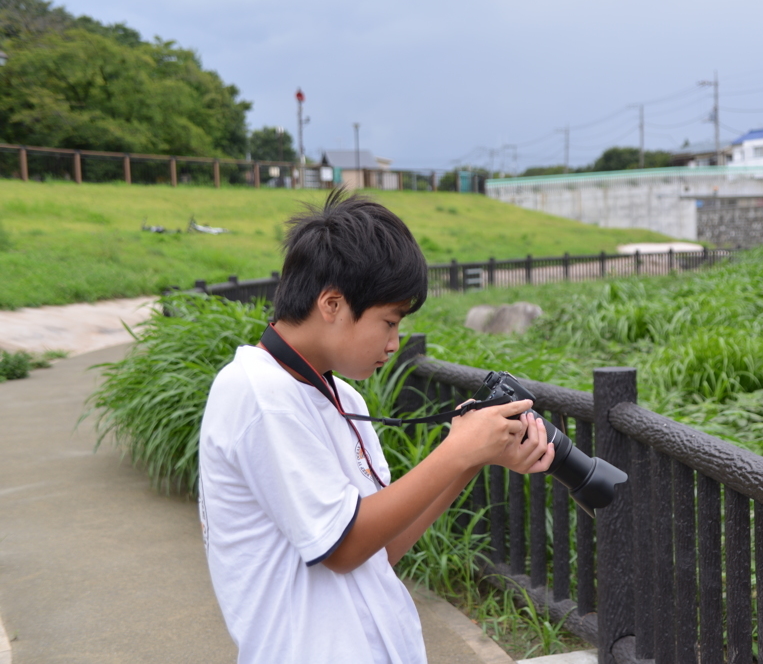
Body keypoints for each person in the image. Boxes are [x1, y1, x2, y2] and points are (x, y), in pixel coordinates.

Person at [197, 192, 555, 664]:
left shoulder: (340, 397)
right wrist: (455, 453)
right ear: (331, 303)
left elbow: (378, 550)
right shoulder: (258, 392)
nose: (394, 342)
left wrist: (469, 459)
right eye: (389, 321)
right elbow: (343, 548)